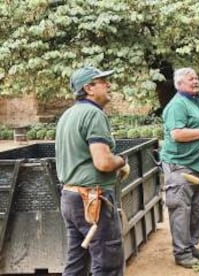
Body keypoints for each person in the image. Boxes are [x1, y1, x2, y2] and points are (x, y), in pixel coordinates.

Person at [56, 66, 130, 275]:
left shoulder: (68, 115)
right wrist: (121, 160)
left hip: (70, 196)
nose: (109, 85)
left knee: (76, 263)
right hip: (92, 199)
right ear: (89, 88)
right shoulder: (93, 114)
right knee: (108, 263)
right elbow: (104, 163)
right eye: (102, 81)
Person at [160, 67, 199, 269]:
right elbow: (176, 134)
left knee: (197, 210)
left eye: (196, 78)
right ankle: (182, 253)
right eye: (190, 79)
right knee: (181, 209)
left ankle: (190, 245)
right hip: (181, 166)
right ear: (179, 84)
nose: (195, 81)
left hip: (198, 165)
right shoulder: (177, 105)